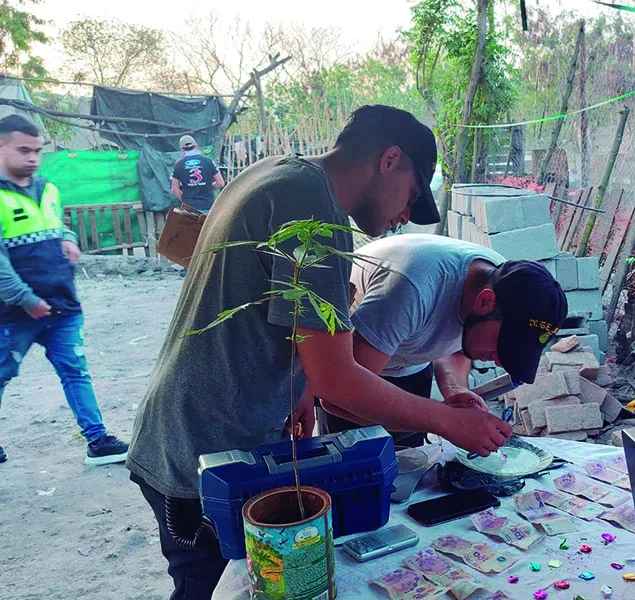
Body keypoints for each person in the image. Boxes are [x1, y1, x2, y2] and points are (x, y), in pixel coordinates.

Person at [126, 105, 513, 600]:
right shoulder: (313, 210)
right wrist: (445, 419)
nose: (403, 218)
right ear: (389, 159)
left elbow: (280, 322)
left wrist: (299, 388)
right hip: (204, 452)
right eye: (411, 197)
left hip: (192, 430)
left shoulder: (274, 173)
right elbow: (340, 384)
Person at [308, 233, 568, 446]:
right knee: (356, 474)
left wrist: (455, 392)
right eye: (504, 345)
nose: (500, 361)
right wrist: (445, 421)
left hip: (407, 359)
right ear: (484, 301)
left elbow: (457, 340)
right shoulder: (410, 288)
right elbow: (337, 398)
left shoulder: (496, 282)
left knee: (408, 471)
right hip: (352, 366)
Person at [0, 115, 129, 466]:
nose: (32, 158)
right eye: (23, 150)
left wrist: (69, 240)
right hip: (13, 314)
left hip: (62, 306)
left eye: (37, 151)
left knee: (75, 370)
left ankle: (98, 439)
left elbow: (60, 225)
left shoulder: (48, 189)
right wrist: (26, 300)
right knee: (2, 373)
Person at [170, 135, 225, 214]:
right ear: (196, 146)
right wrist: (208, 187)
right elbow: (221, 183)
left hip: (189, 209)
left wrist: (184, 201)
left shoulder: (178, 164)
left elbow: (174, 189)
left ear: (182, 149)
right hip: (208, 207)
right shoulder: (209, 161)